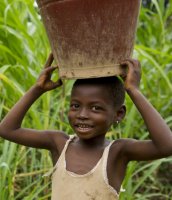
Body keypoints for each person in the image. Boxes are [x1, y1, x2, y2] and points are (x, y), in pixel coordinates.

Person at [0, 53, 172, 200]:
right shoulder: (59, 143)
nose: (82, 114)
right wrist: (37, 89)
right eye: (75, 106)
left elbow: (167, 146)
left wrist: (133, 90)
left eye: (96, 108)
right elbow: (7, 129)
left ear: (118, 114)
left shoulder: (117, 152)